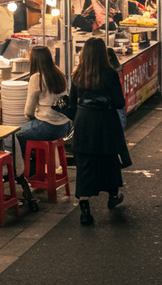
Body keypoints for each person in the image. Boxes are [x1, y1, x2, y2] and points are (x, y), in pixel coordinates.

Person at [71, 38, 129, 225]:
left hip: (84, 124)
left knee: (85, 164)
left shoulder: (77, 74)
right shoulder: (109, 74)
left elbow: (72, 103)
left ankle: (85, 209)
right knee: (108, 160)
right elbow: (120, 102)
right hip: (105, 123)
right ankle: (113, 195)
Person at [14, 46, 70, 212]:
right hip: (64, 126)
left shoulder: (37, 78)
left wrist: (31, 118)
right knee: (28, 134)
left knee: (17, 136)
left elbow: (28, 112)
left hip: (48, 126)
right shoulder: (58, 73)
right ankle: (34, 173)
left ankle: (24, 175)